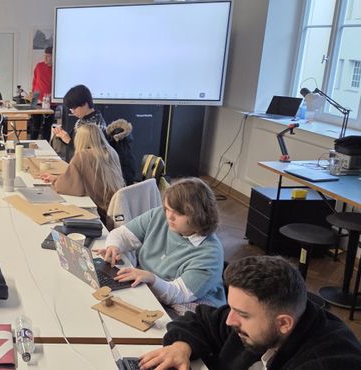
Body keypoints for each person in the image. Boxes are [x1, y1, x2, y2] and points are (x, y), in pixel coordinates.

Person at [139, 255, 361, 370]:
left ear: (284, 323)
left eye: (242, 315)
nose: (230, 320)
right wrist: (181, 347)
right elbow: (201, 320)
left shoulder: (328, 363)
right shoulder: (261, 319)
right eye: (232, 308)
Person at [99, 177, 225, 312]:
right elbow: (122, 234)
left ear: (199, 216)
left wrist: (152, 279)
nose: (169, 216)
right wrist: (114, 246)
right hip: (153, 284)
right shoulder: (160, 215)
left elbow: (178, 294)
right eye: (168, 209)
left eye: (178, 213)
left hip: (192, 301)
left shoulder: (210, 254)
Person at [40, 123, 124, 229]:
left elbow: (67, 187)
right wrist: (57, 177)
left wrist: (55, 181)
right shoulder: (111, 152)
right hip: (115, 208)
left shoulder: (82, 156)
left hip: (99, 211)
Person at [53, 84, 136, 184]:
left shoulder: (95, 126)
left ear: (85, 104)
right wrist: (64, 136)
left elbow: (90, 157)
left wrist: (68, 140)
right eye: (71, 109)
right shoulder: (82, 122)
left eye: (74, 108)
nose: (72, 112)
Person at [29, 46, 54, 140]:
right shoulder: (39, 66)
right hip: (36, 98)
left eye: (48, 56)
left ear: (53, 56)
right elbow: (34, 81)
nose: (45, 58)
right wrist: (32, 95)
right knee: (35, 126)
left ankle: (46, 147)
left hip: (50, 101)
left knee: (47, 127)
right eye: (44, 56)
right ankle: (32, 144)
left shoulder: (57, 69)